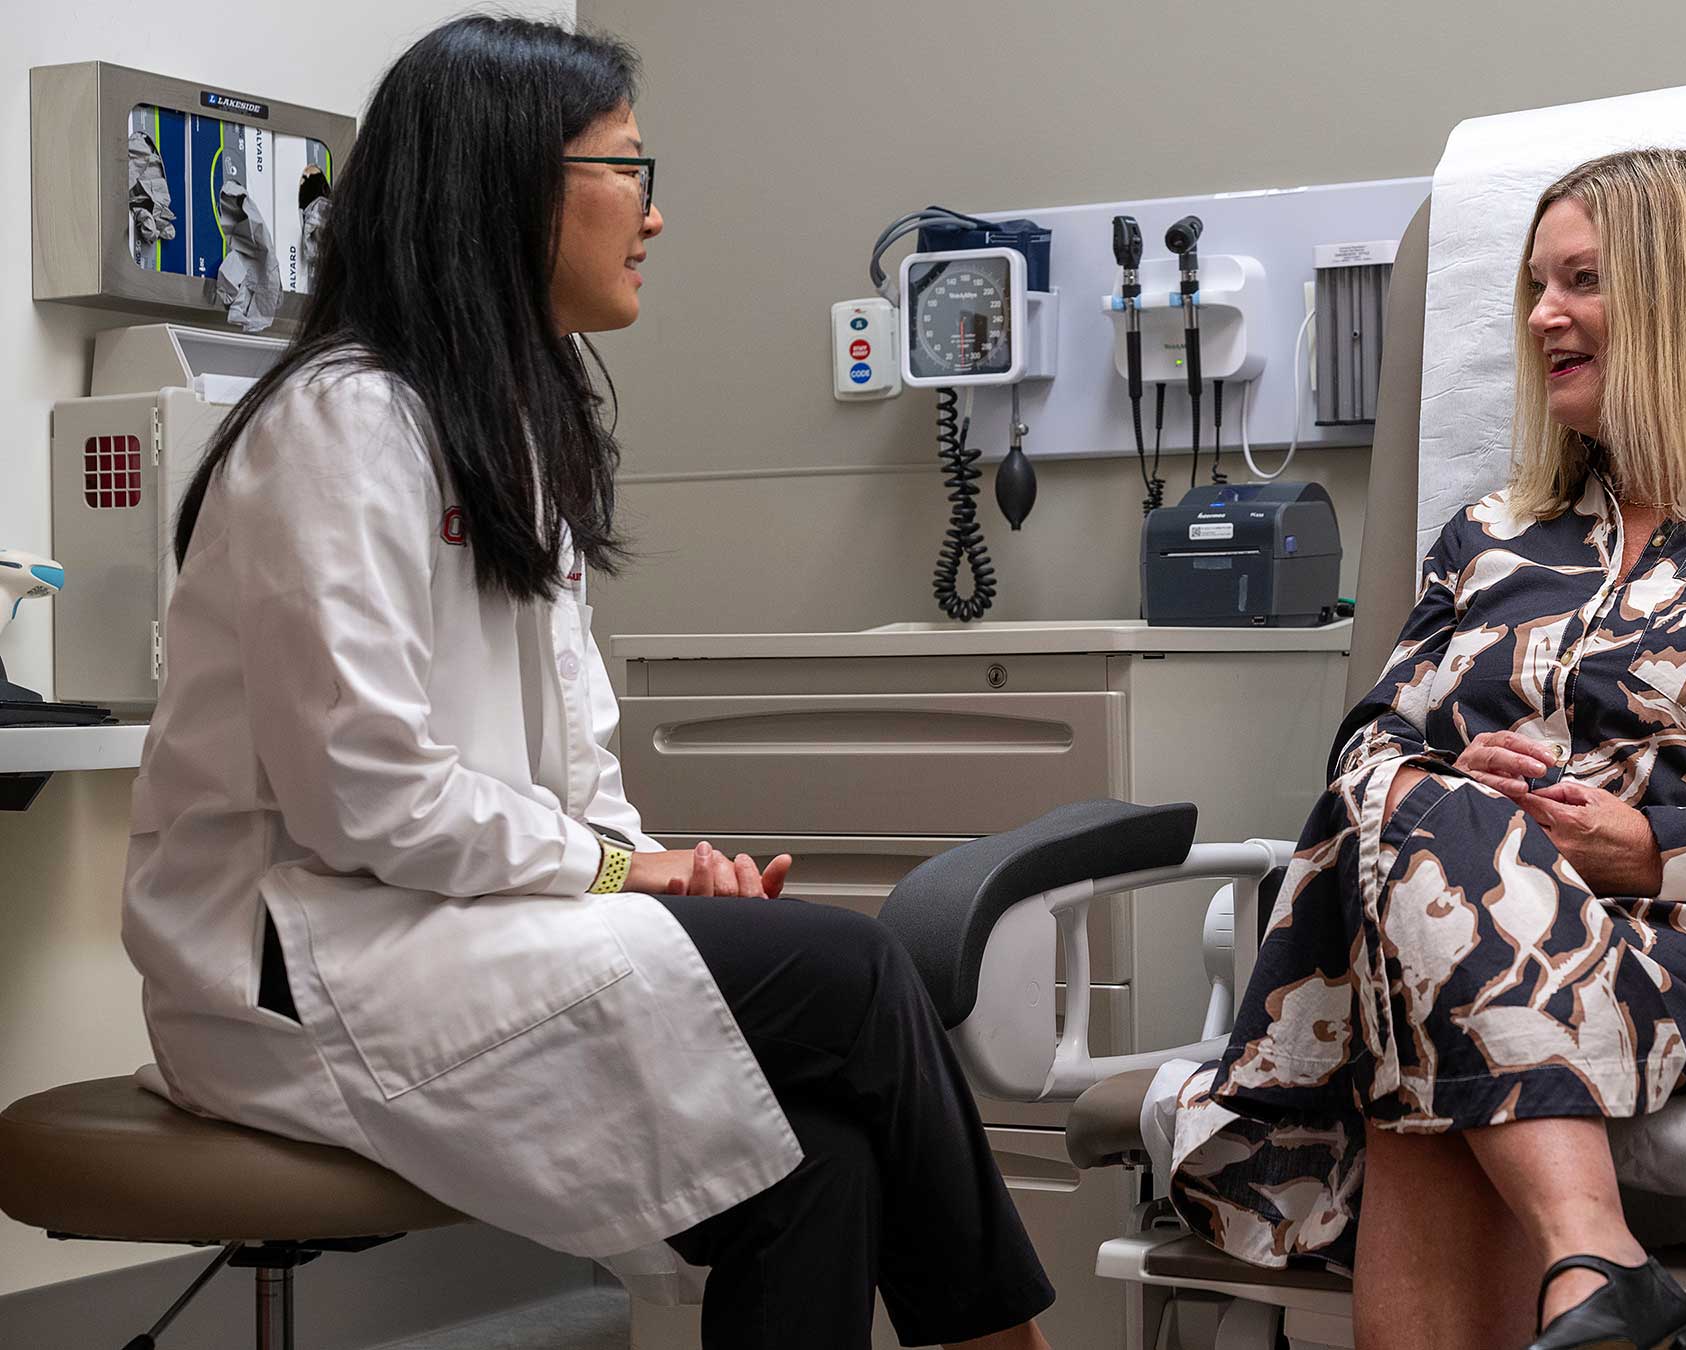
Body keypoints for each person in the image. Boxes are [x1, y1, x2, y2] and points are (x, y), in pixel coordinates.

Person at [120, 16, 1052, 1348]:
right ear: (507, 184)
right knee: (852, 967)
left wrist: (646, 861)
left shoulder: (506, 425)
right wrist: (621, 877)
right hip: (291, 969)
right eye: (628, 167)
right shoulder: (341, 422)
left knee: (819, 1151)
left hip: (452, 927)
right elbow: (361, 795)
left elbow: (572, 765)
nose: (654, 215)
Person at [1163, 148, 1686, 1350]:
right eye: (1536, 285)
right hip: (1468, 915)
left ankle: (1596, 1265)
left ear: (1685, 299)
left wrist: (1658, 846)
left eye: (1582, 281)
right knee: (1430, 836)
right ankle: (1594, 1265)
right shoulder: (1490, 536)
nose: (1544, 317)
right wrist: (1453, 793)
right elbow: (1369, 753)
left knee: (1421, 990)